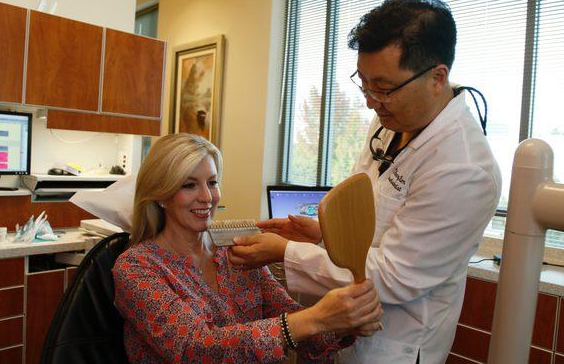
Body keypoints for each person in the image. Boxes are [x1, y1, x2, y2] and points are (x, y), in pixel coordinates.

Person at [229, 0, 502, 364]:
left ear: (437, 77)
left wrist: (285, 252)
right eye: (365, 84)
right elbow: (367, 212)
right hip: (348, 329)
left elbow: (394, 276)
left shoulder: (464, 170)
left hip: (395, 344)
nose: (372, 103)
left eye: (384, 88)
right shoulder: (391, 122)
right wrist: (322, 235)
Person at [112, 133, 383, 364]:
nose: (207, 197)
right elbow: (193, 349)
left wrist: (344, 324)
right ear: (161, 194)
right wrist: (316, 318)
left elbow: (296, 325)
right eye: (189, 185)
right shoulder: (136, 268)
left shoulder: (235, 252)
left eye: (212, 182)